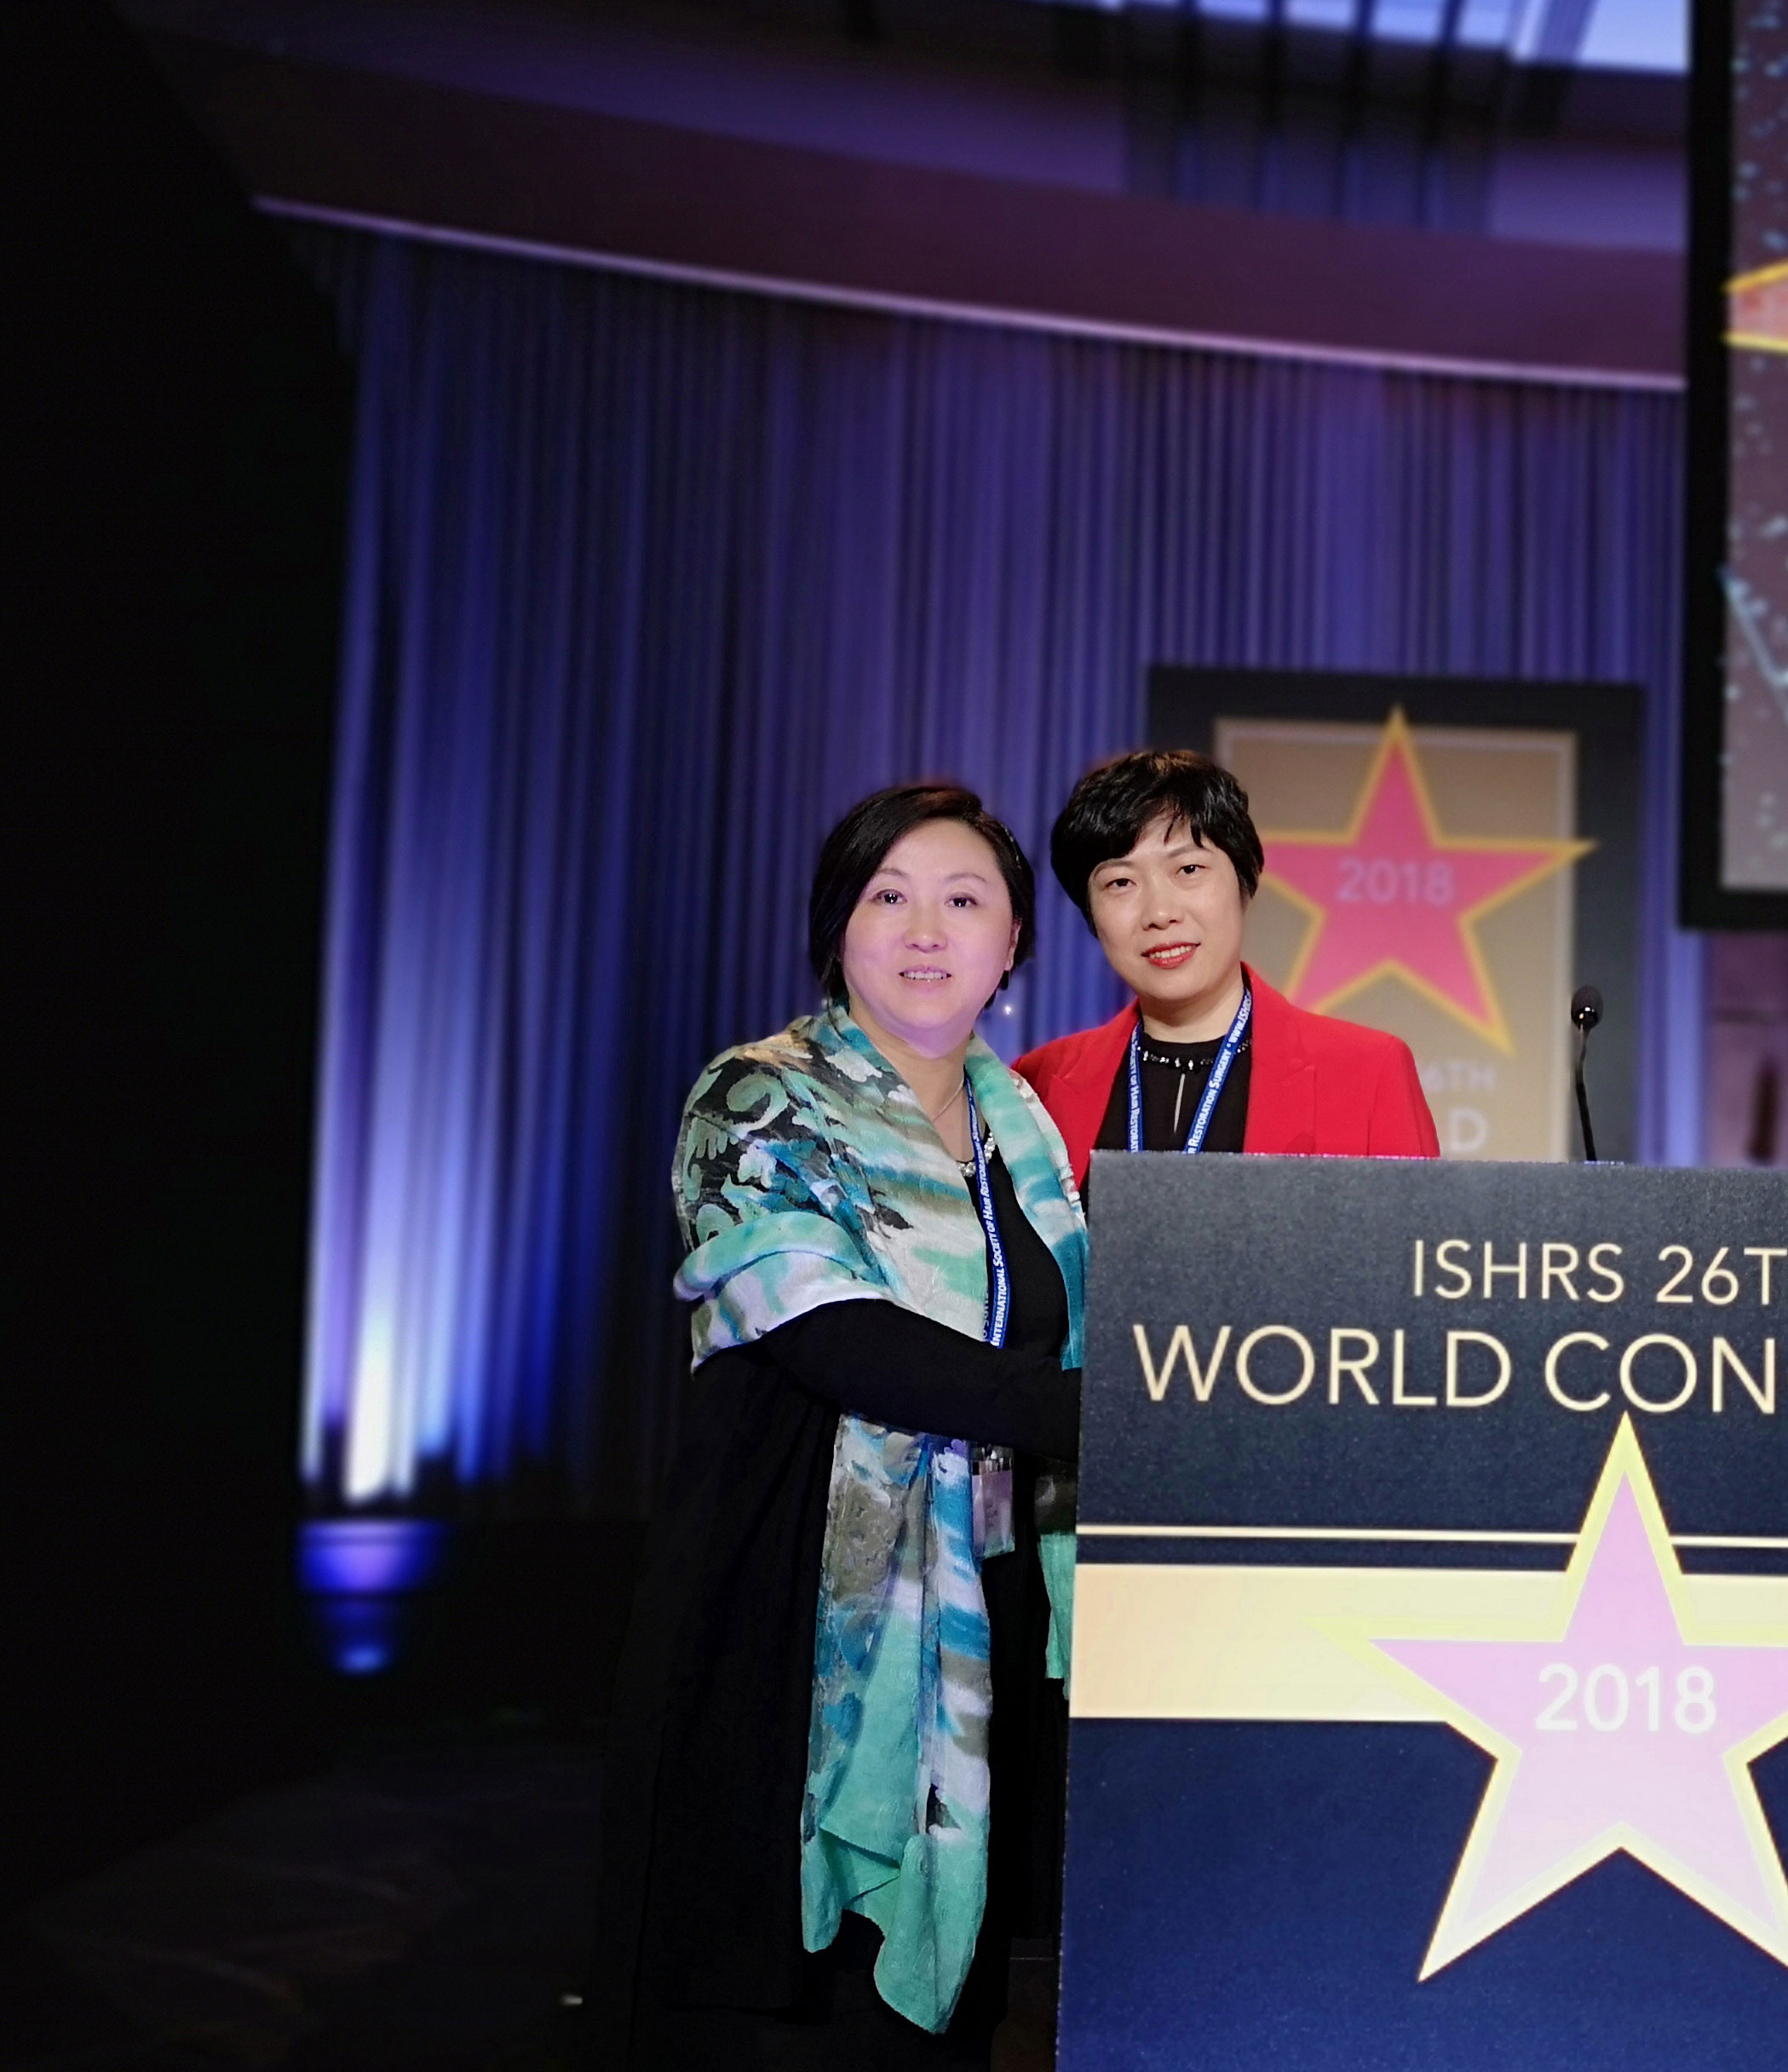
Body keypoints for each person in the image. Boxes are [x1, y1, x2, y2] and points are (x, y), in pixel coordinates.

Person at [590, 783, 1084, 2070]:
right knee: (787, 2014)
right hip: (794, 1601)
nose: (926, 930)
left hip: (989, 1597)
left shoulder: (1024, 1127)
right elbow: (835, 1334)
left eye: (963, 900)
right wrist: (1108, 1419)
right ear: (836, 928)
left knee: (948, 2024)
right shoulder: (757, 1099)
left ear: (1013, 941)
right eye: (888, 896)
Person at [1015, 748, 1440, 1183]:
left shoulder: (1368, 1073)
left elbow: (1413, 1228)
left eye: (1189, 869)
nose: (1160, 912)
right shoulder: (1036, 1086)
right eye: (1121, 882)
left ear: (1244, 880)